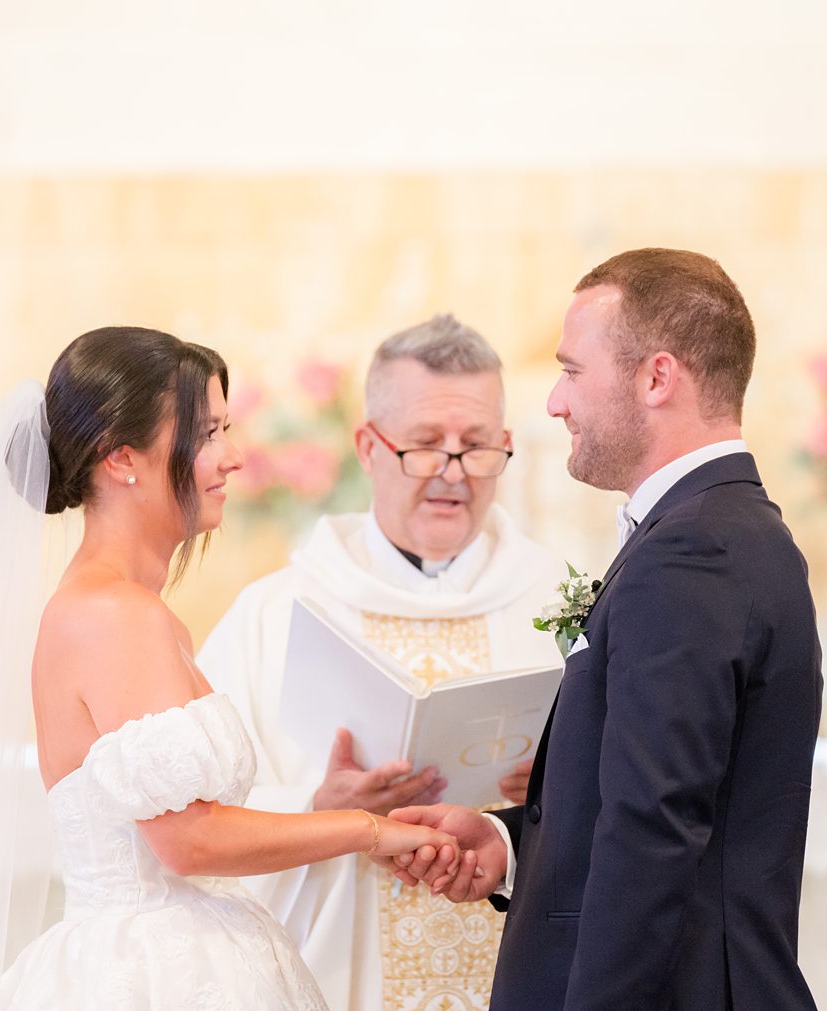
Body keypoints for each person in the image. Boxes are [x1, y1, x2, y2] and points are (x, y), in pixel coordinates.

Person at [0, 327, 462, 1011]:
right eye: (209, 432)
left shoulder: (129, 608)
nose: (234, 456)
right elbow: (187, 839)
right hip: (150, 974)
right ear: (122, 458)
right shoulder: (110, 614)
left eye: (228, 428)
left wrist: (335, 809)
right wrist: (370, 830)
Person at [390, 250, 823, 1010]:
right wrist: (511, 841)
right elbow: (640, 798)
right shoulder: (717, 528)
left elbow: (654, 828)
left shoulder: (695, 550)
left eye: (571, 371)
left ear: (657, 378)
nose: (555, 402)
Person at [198, 315, 565, 1011]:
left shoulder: (559, 605)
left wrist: (544, 796)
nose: (453, 475)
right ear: (368, 446)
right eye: (426, 447)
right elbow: (195, 824)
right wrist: (319, 811)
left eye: (478, 447)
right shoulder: (276, 615)